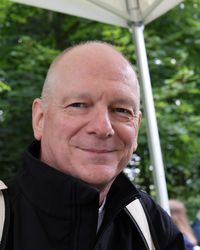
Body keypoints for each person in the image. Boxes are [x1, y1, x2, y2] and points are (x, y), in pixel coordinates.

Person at [1, 41, 185, 250]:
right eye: (78, 105)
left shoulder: (153, 227)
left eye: (121, 110)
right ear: (40, 119)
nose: (102, 128)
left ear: (137, 126)